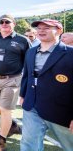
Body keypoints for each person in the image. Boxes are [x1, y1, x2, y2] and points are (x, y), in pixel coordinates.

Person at [20, 19, 73, 151]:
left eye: (47, 27)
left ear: (59, 31)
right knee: (28, 144)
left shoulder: (71, 53)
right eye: (38, 28)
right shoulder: (31, 52)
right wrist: (23, 94)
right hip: (32, 106)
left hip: (62, 110)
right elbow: (27, 75)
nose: (41, 30)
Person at [0, 14, 31, 150]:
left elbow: (29, 60)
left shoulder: (22, 40)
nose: (4, 24)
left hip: (12, 79)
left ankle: (0, 142)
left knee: (5, 109)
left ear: (14, 24)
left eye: (8, 22)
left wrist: (27, 80)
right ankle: (12, 125)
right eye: (2, 22)